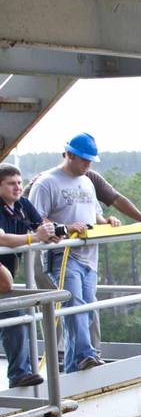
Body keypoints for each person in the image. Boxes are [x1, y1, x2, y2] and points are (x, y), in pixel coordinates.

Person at [29, 133, 121, 374]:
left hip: (89, 257)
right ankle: (85, 356)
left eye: (90, 161)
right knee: (75, 308)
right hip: (63, 256)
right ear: (68, 155)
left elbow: (94, 214)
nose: (88, 166)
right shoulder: (47, 183)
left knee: (87, 308)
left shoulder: (87, 182)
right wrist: (65, 228)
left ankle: (73, 366)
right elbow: (35, 219)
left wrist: (107, 221)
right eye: (83, 160)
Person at [0, 162, 56, 388]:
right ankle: (19, 372)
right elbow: (2, 239)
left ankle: (20, 374)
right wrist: (35, 238)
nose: (17, 188)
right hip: (3, 279)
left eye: (19, 183)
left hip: (5, 278)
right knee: (15, 312)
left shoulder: (22, 204)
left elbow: (40, 225)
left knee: (18, 314)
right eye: (11, 183)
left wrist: (52, 232)